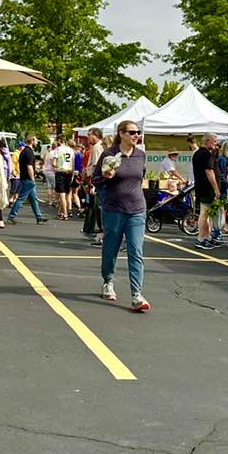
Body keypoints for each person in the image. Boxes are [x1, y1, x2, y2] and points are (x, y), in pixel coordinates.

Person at [91, 119, 150, 312]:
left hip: (137, 209)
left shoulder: (140, 155)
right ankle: (108, 281)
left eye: (138, 132)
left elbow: (141, 177)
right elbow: (95, 179)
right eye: (132, 132)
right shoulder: (109, 154)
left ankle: (137, 294)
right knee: (111, 249)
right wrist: (106, 177)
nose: (136, 135)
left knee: (136, 251)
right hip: (114, 209)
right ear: (122, 134)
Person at [7, 136, 49, 224]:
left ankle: (39, 216)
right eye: (36, 140)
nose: (37, 142)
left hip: (24, 177)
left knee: (34, 198)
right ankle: (12, 215)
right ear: (32, 141)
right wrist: (33, 179)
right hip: (28, 179)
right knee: (21, 198)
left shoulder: (23, 151)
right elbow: (29, 167)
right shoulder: (29, 152)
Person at [192, 132, 221, 250]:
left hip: (202, 187)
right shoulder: (206, 155)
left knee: (207, 213)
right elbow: (209, 172)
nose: (216, 144)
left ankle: (207, 237)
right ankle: (200, 239)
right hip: (207, 188)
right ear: (208, 141)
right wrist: (216, 189)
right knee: (204, 213)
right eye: (214, 141)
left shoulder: (198, 153)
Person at [83, 127, 106, 243]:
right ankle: (98, 232)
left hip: (98, 182)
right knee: (97, 208)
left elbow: (96, 167)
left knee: (99, 208)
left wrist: (92, 184)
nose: (88, 137)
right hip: (97, 182)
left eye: (89, 135)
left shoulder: (97, 148)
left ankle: (101, 234)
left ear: (95, 135)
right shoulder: (96, 147)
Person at [53, 137, 76, 219]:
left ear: (59, 141)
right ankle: (60, 212)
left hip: (61, 172)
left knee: (62, 194)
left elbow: (54, 162)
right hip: (69, 172)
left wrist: (55, 168)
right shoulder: (71, 150)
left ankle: (65, 213)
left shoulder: (58, 149)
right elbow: (73, 163)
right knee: (67, 193)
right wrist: (72, 174)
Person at [43, 140, 58, 209]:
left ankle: (50, 201)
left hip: (46, 170)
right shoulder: (54, 153)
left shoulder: (48, 153)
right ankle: (55, 200)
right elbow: (54, 163)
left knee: (49, 187)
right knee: (55, 187)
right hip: (52, 171)